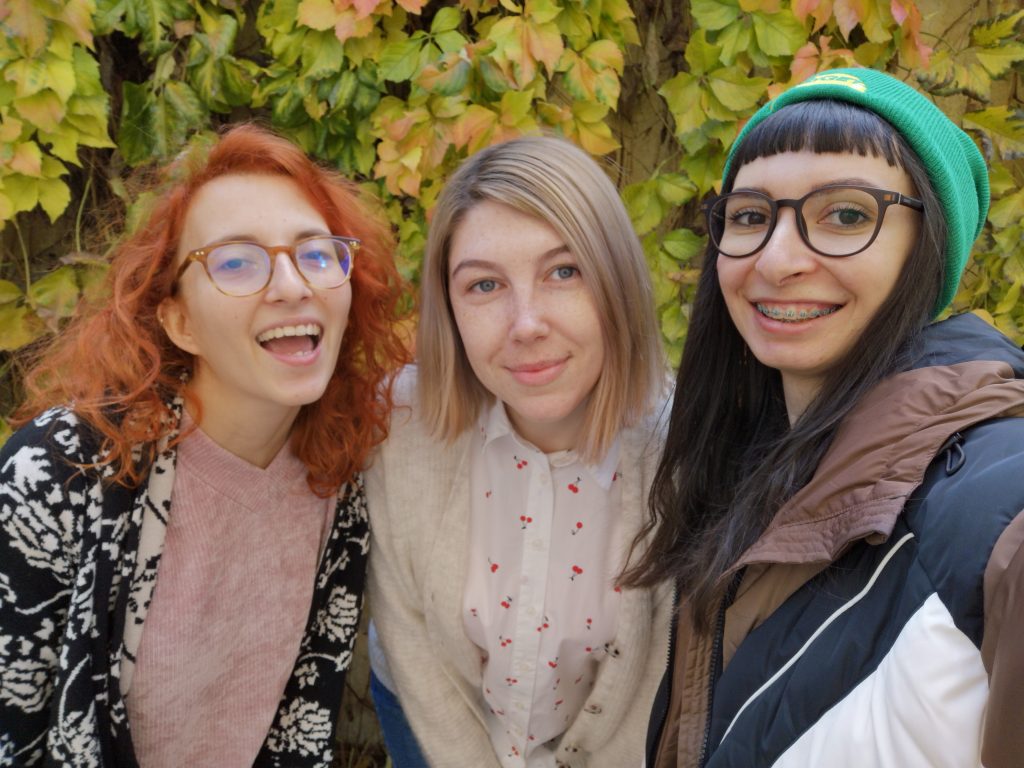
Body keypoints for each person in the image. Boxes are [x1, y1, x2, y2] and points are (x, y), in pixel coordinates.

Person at [625, 68, 1024, 768]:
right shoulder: (740, 471)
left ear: (928, 247)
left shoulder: (999, 513)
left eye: (845, 215)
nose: (776, 260)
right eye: (751, 216)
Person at [0, 124, 408, 766]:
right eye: (237, 261)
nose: (293, 285)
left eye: (317, 253)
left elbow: (301, 726)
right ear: (180, 321)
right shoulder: (60, 470)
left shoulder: (337, 481)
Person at [365, 134, 673, 767]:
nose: (526, 324)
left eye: (564, 272)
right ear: (449, 308)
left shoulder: (685, 449)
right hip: (428, 717)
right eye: (484, 286)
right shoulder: (400, 425)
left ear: (616, 281)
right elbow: (411, 643)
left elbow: (654, 686)